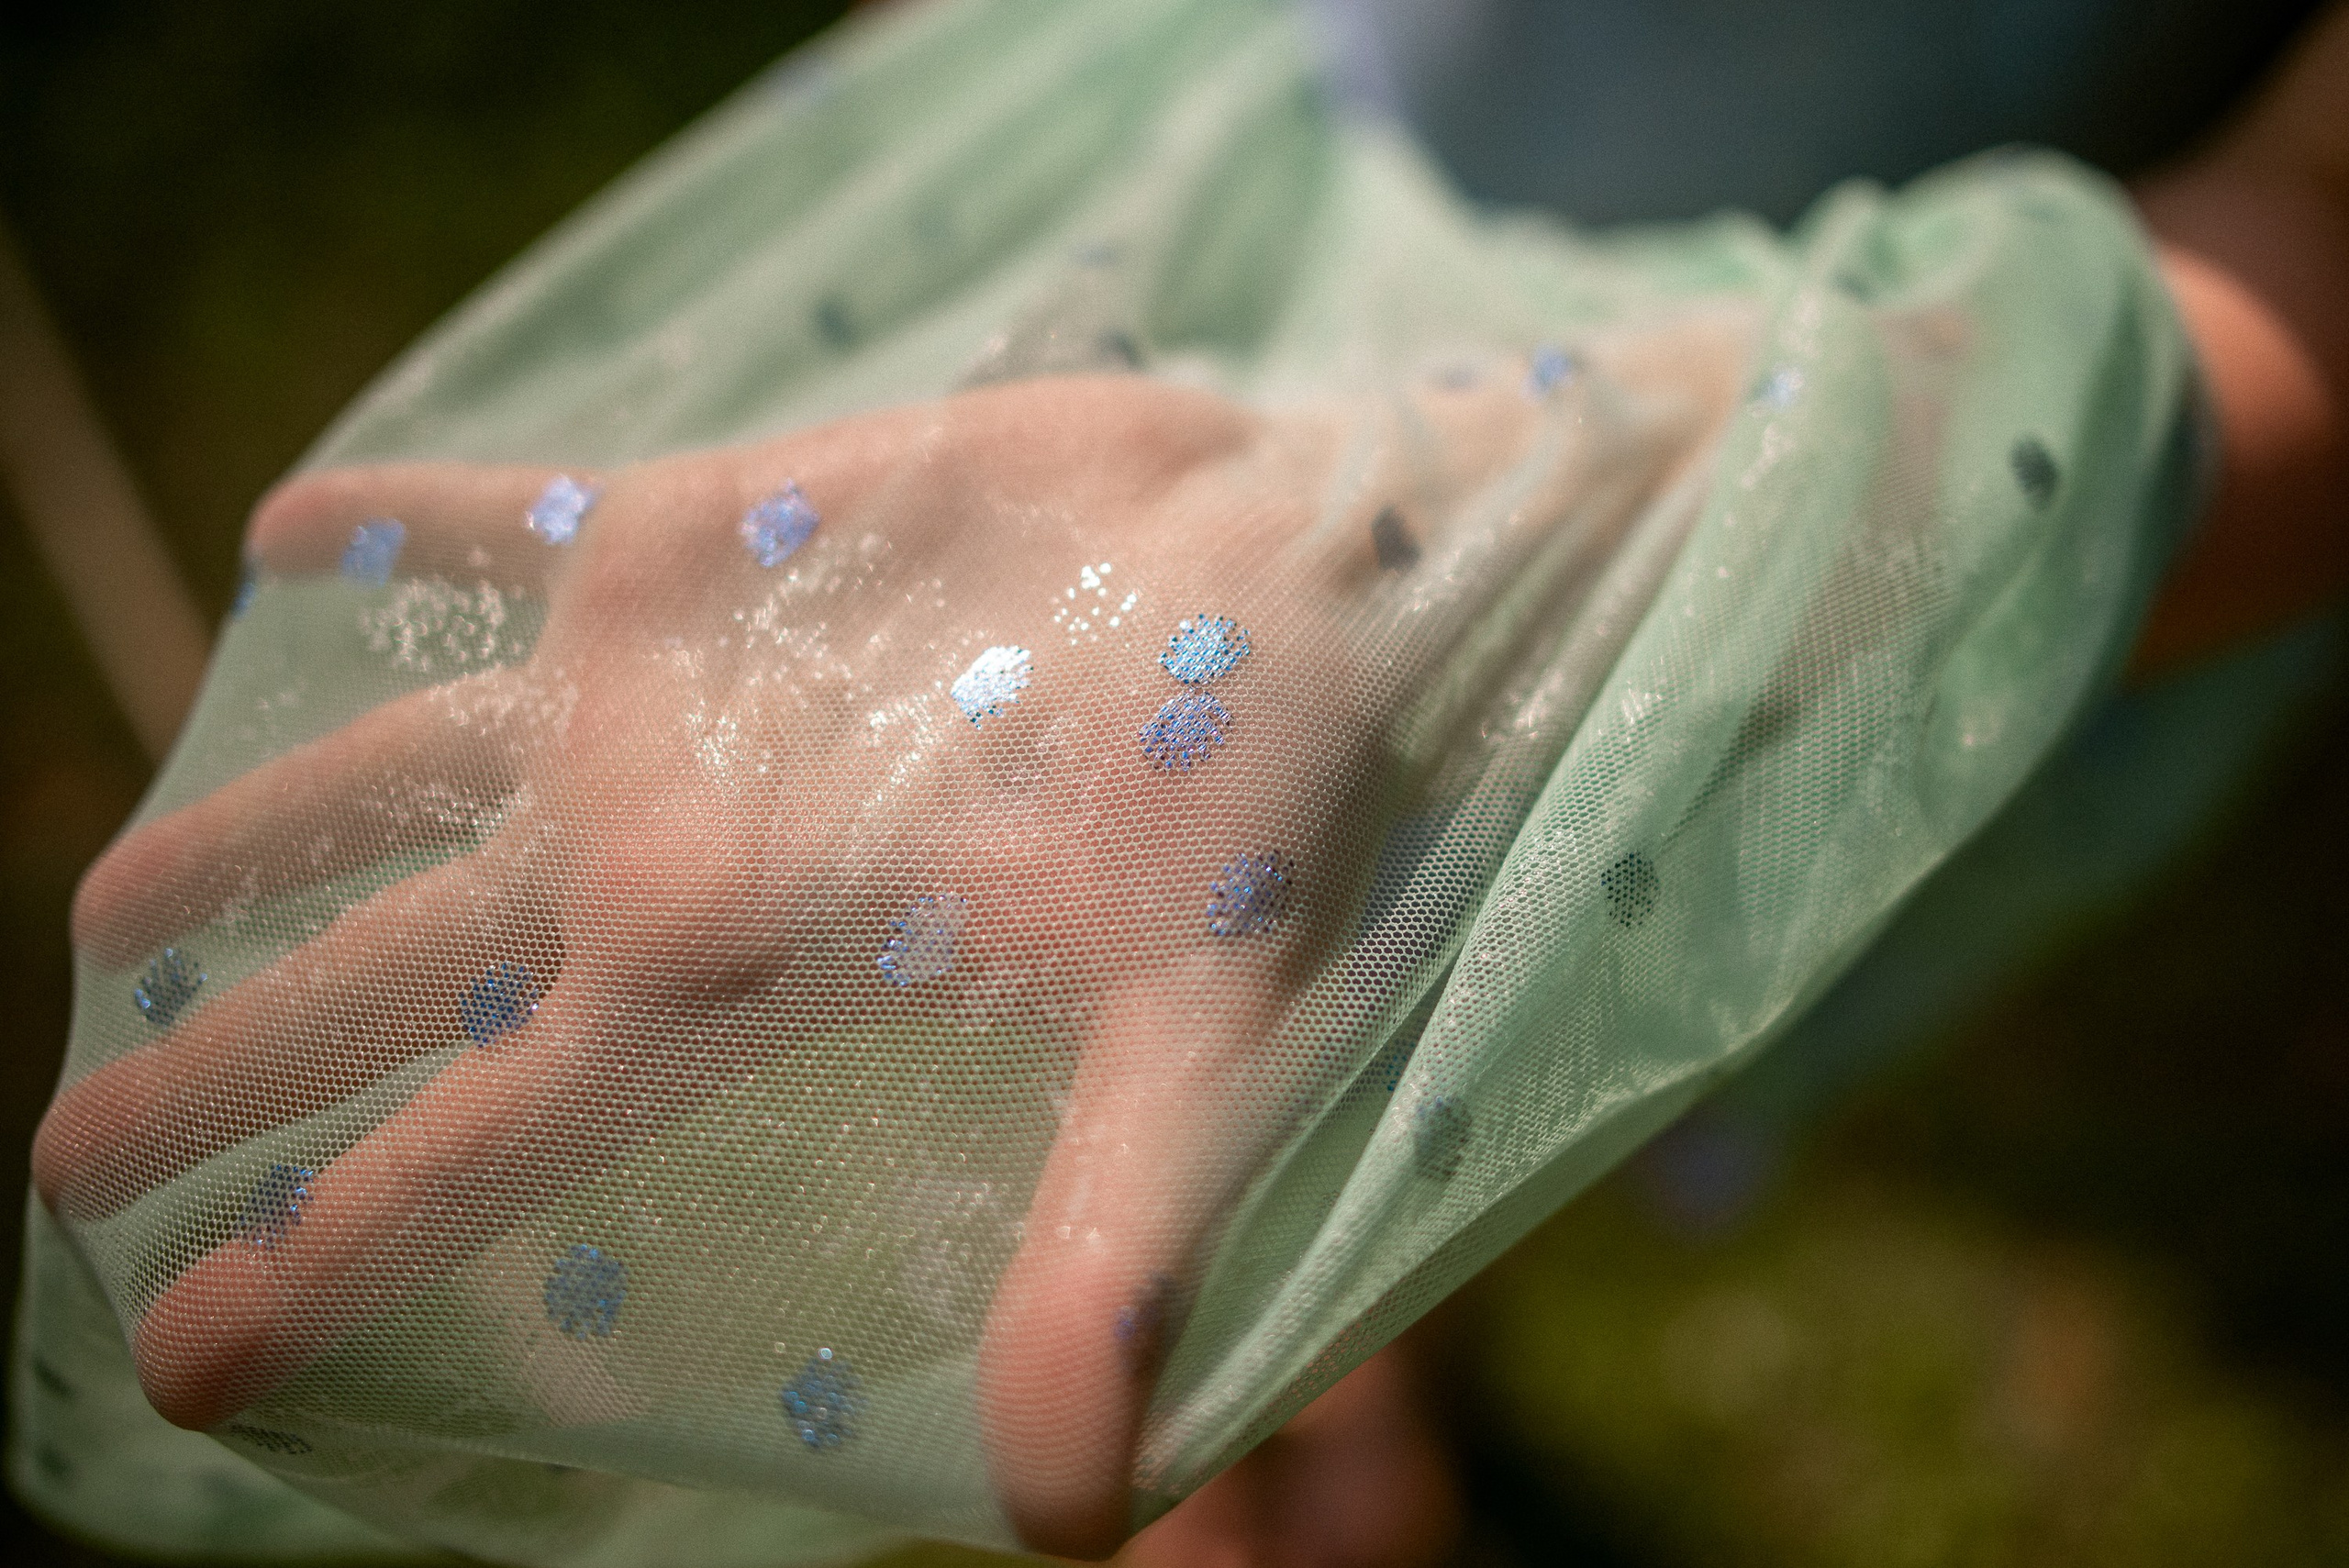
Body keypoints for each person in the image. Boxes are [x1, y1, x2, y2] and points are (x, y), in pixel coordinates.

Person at [19, 0, 2344, 1562]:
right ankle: (1279, 1326)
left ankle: (1365, 1305)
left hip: (1864, 431)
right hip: (1241, 169)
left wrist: (1595, 514)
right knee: (1127, 978)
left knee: (1472, 977)